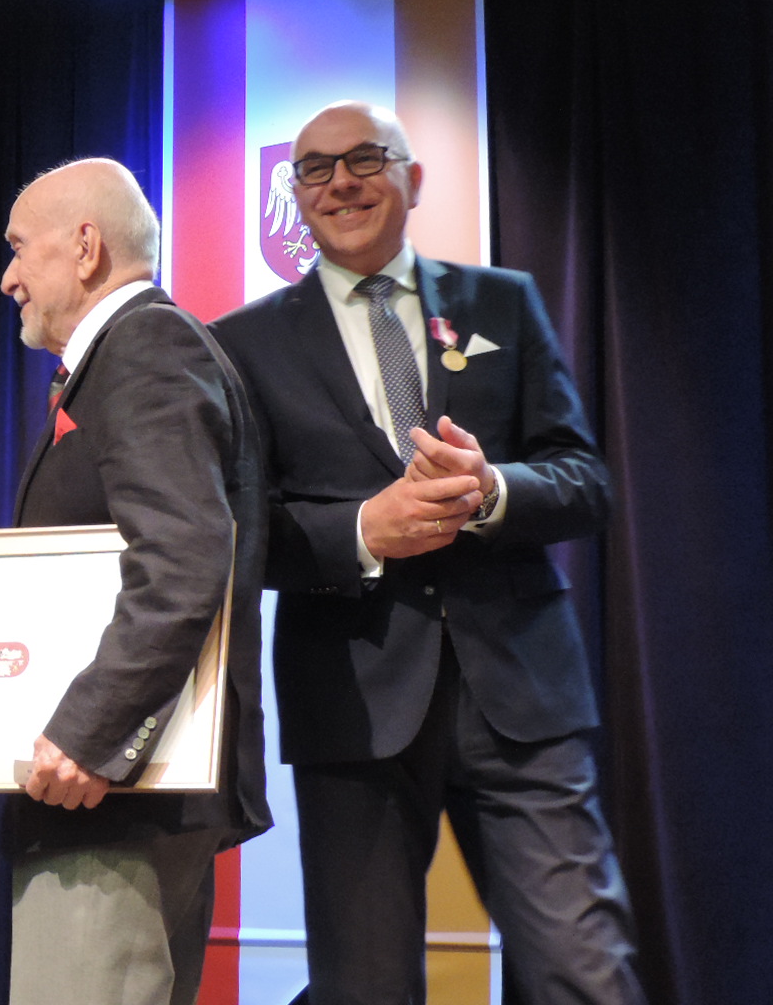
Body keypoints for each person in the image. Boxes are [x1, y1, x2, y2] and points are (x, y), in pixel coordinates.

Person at [209, 101, 644, 1004]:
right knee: (364, 988)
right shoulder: (240, 343)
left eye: (365, 159)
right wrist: (364, 529)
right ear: (297, 196)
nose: (341, 183)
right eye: (315, 169)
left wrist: (492, 490)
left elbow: (586, 481)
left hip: (521, 698)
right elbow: (242, 532)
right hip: (352, 706)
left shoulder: (502, 303)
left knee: (584, 972)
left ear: (412, 178)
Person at [3, 158, 270, 1005]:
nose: (8, 278)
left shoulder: (147, 347)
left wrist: (91, 732)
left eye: (18, 248)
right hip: (128, 788)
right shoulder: (131, 355)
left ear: (85, 248)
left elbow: (185, 556)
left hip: (115, 794)